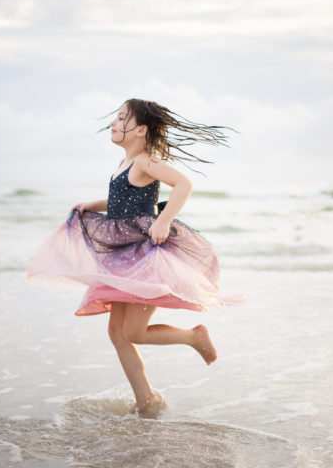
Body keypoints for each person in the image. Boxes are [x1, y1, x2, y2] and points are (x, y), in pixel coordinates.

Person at [26, 98, 245, 416]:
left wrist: (164, 220)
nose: (114, 123)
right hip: (123, 256)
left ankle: (193, 336)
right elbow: (121, 204)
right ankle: (145, 399)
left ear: (141, 130)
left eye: (121, 118)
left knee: (134, 332)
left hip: (146, 255)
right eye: (114, 118)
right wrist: (92, 204)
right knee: (116, 333)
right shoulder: (123, 166)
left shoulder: (145, 160)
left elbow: (183, 184)